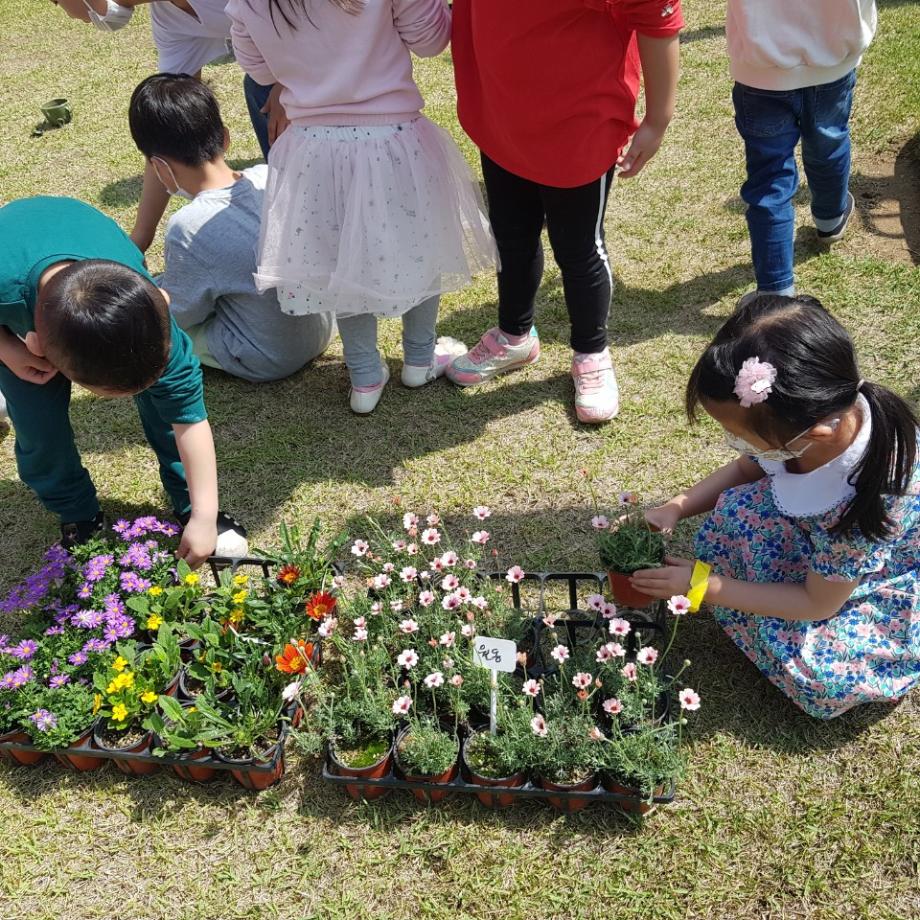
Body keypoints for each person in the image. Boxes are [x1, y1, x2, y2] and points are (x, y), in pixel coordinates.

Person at [631, 294, 919, 719]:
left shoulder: (870, 496)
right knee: (735, 512)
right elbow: (750, 469)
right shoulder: (813, 417)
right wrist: (677, 506)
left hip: (862, 575)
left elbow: (818, 604)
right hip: (828, 552)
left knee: (822, 676)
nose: (741, 446)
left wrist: (700, 585)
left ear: (814, 432)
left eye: (741, 436)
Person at [227, 0, 495, 413]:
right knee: (421, 245)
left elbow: (259, 70)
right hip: (394, 139)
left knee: (339, 262)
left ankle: (365, 375)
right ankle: (419, 359)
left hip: (313, 149)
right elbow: (430, 40)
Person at [446, 0, 683, 424]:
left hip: (578, 128)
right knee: (511, 235)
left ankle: (591, 351)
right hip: (501, 116)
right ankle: (514, 333)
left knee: (578, 249)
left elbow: (657, 17)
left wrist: (658, 118)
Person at [0, 196, 249, 564]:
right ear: (37, 345)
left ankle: (186, 498)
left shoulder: (144, 312)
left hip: (83, 236)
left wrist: (203, 515)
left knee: (168, 413)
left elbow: (188, 419)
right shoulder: (6, 286)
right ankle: (77, 511)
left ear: (161, 300)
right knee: (39, 428)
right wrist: (8, 350)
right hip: (17, 284)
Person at [129, 74, 335, 382]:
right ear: (225, 137)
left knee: (151, 326)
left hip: (267, 355)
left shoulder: (188, 227)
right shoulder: (269, 176)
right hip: (321, 329)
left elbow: (180, 314)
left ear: (159, 167)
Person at [52, 0, 281, 249]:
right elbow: (169, 128)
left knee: (262, 87)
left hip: (320, 60)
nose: (63, 12)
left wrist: (288, 83)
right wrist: (140, 237)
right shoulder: (170, 20)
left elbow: (318, 16)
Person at [726, 0, 877, 296]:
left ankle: (775, 292)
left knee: (770, 178)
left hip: (760, 64)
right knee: (828, 142)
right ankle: (830, 217)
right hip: (834, 52)